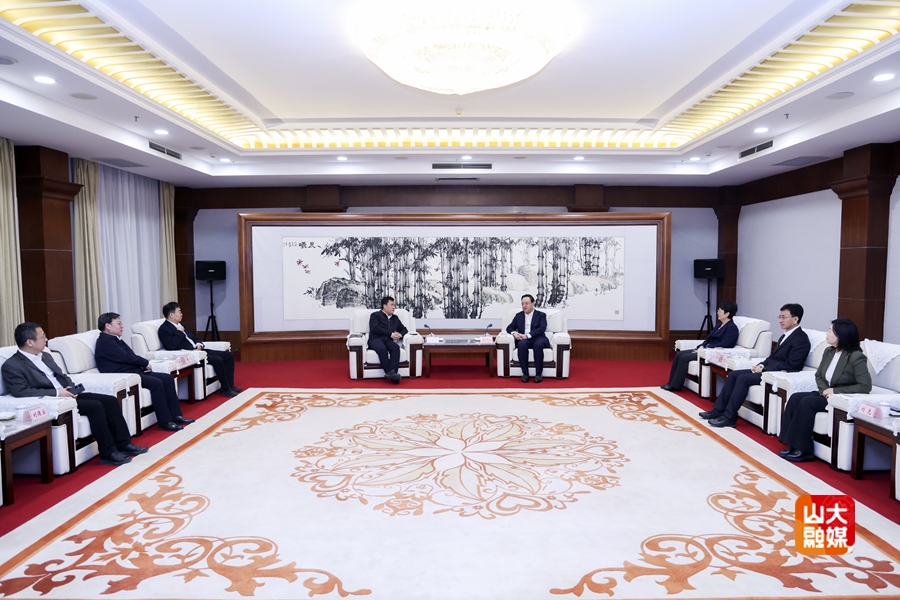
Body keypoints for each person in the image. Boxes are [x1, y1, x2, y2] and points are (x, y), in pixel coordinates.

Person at [1, 322, 148, 467]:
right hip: (55, 401)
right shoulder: (12, 365)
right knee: (95, 406)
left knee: (110, 401)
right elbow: (21, 391)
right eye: (43, 336)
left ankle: (124, 444)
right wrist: (58, 393)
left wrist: (70, 387)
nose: (46, 339)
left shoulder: (45, 356)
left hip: (68, 394)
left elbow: (62, 375)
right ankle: (108, 453)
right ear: (29, 342)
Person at [701, 303, 811, 428]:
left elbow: (792, 364)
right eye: (779, 317)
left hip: (779, 374)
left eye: (784, 317)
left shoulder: (801, 339)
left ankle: (729, 417)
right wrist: (761, 365)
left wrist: (764, 368)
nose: (780, 320)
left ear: (795, 319)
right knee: (733, 375)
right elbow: (773, 358)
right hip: (769, 370)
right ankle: (718, 410)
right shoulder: (785, 336)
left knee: (743, 378)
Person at [777, 318, 871, 462]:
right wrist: (825, 390)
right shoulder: (829, 351)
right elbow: (819, 375)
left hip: (841, 398)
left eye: (830, 330)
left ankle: (804, 449)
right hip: (826, 394)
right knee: (795, 397)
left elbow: (865, 386)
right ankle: (791, 443)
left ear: (841, 334)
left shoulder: (856, 356)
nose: (827, 333)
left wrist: (834, 392)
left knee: (808, 402)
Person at [94, 312, 194, 432]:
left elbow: (131, 356)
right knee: (156, 383)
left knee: (167, 378)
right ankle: (165, 421)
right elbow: (127, 358)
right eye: (119, 323)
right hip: (124, 375)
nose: (122, 326)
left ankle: (176, 416)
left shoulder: (114, 339)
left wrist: (143, 365)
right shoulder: (105, 342)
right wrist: (146, 363)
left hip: (134, 371)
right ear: (108, 326)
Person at [158, 302, 241, 398]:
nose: (182, 314)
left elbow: (193, 337)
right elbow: (171, 345)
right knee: (217, 360)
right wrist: (179, 332)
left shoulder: (182, 325)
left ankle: (230, 385)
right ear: (171, 315)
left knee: (229, 355)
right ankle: (225, 389)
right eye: (179, 312)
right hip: (191, 354)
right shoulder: (164, 329)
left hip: (199, 350)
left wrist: (199, 343)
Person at [661, 301, 739, 391]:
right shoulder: (719, 325)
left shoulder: (732, 328)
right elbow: (708, 339)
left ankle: (675, 386)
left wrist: (705, 349)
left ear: (727, 314)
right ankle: (670, 383)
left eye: (720, 311)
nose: (718, 313)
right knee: (679, 354)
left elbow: (725, 344)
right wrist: (701, 346)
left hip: (711, 353)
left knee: (684, 358)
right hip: (704, 350)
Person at [506, 294, 549, 384]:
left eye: (526, 303)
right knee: (521, 344)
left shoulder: (541, 315)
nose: (524, 306)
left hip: (538, 337)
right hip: (524, 339)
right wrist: (514, 333)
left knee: (538, 345)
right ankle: (525, 373)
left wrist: (528, 335)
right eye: (522, 304)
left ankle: (538, 373)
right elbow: (509, 328)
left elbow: (542, 329)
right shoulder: (519, 316)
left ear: (533, 303)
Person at [369, 296, 407, 383]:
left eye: (394, 305)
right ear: (384, 306)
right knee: (382, 349)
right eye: (391, 305)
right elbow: (375, 328)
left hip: (388, 340)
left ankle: (392, 373)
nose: (394, 307)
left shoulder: (395, 318)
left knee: (395, 348)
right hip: (375, 339)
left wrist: (400, 334)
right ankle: (392, 374)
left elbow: (404, 329)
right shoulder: (375, 315)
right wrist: (390, 334)